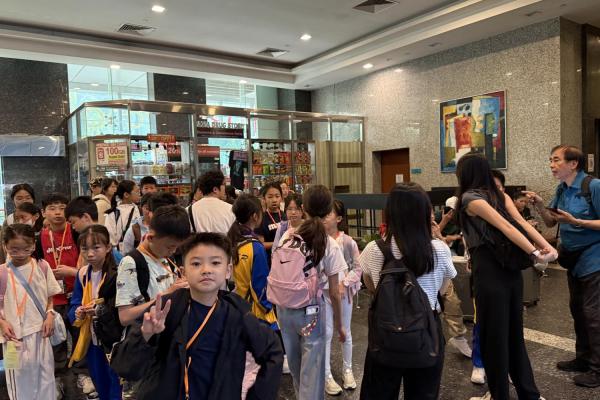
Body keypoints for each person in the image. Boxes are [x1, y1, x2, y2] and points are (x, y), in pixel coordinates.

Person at [110, 232, 284, 399]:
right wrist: (145, 335)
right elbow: (125, 369)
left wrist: (258, 395)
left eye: (215, 263)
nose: (206, 270)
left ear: (228, 270)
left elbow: (273, 352)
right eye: (196, 263)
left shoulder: (237, 314)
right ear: (183, 271)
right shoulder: (165, 309)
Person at [455, 153, 556, 400]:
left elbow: (508, 226)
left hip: (489, 272)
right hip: (511, 272)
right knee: (513, 336)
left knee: (494, 338)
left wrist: (535, 252)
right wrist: (546, 248)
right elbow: (521, 223)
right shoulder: (501, 196)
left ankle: (499, 395)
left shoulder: (469, 199)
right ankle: (529, 394)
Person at [359, 183, 455, 400]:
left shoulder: (375, 249)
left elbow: (371, 286)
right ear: (424, 213)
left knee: (379, 393)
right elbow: (443, 288)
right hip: (426, 333)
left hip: (385, 332)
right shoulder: (439, 250)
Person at [524, 145, 600, 388]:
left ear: (573, 163)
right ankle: (583, 358)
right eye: (550, 160)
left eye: (556, 160)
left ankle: (597, 369)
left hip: (595, 258)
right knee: (578, 310)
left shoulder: (593, 186)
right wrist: (538, 204)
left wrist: (577, 221)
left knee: (594, 314)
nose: (551, 165)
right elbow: (550, 222)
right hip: (574, 260)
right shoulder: (561, 189)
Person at [274, 184, 347, 400]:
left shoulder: (288, 235)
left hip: (284, 309)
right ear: (328, 211)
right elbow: (334, 293)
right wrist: (340, 324)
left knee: (296, 370)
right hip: (311, 313)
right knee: (312, 375)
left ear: (303, 208)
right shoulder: (328, 243)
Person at [37, 193, 95, 398]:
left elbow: (90, 262)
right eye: (52, 208)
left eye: (62, 208)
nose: (58, 213)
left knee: (82, 337)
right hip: (54, 298)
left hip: (78, 295)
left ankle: (84, 374)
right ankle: (57, 378)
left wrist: (72, 272)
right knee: (56, 341)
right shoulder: (39, 238)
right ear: (43, 212)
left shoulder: (77, 231)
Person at [0, 224, 62, 400]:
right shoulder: (2, 272)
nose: (20, 254)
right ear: (5, 246)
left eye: (26, 249)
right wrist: (2, 322)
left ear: (34, 245)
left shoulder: (42, 266)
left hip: (41, 334)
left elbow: (50, 296)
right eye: (14, 250)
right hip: (12, 339)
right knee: (18, 384)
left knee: (46, 381)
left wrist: (50, 315)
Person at [227, 194, 279, 398]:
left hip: (237, 306)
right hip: (255, 312)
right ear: (255, 216)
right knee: (254, 370)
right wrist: (268, 308)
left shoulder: (234, 240)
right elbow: (260, 286)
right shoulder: (254, 247)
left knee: (242, 365)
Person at [68, 225, 122, 400]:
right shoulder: (83, 274)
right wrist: (78, 312)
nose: (90, 254)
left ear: (108, 247)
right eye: (84, 249)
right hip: (92, 338)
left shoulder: (119, 271)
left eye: (96, 248)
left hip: (114, 338)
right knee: (100, 381)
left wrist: (100, 310)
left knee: (117, 383)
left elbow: (123, 307)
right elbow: (75, 302)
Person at [115, 205, 190, 326]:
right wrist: (168, 294)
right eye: (170, 247)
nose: (174, 251)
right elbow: (125, 317)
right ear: (150, 238)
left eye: (177, 247)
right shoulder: (131, 263)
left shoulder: (166, 257)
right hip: (146, 334)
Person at [322, 199, 361, 395]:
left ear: (338, 218)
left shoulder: (348, 242)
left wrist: (344, 283)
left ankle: (348, 370)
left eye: (328, 213)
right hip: (322, 294)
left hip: (343, 294)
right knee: (326, 332)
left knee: (345, 330)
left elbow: (358, 268)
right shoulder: (317, 240)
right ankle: (326, 375)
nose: (324, 217)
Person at [65, 196, 123, 265]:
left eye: (73, 222)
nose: (73, 227)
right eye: (85, 249)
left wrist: (72, 271)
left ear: (86, 217)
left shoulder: (113, 256)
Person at [190, 170, 235, 234]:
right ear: (215, 189)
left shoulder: (189, 210)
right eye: (224, 184)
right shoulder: (231, 209)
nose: (225, 188)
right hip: (224, 240)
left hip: (198, 240)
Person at [104, 180, 141, 254]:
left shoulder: (139, 210)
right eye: (137, 192)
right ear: (126, 195)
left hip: (135, 251)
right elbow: (110, 236)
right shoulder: (113, 213)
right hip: (118, 253)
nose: (139, 194)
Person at [255, 182, 286, 257]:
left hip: (285, 257)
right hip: (269, 259)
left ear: (281, 198)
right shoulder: (261, 218)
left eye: (277, 196)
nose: (274, 200)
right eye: (270, 197)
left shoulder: (285, 216)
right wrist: (278, 243)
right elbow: (260, 244)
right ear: (264, 199)